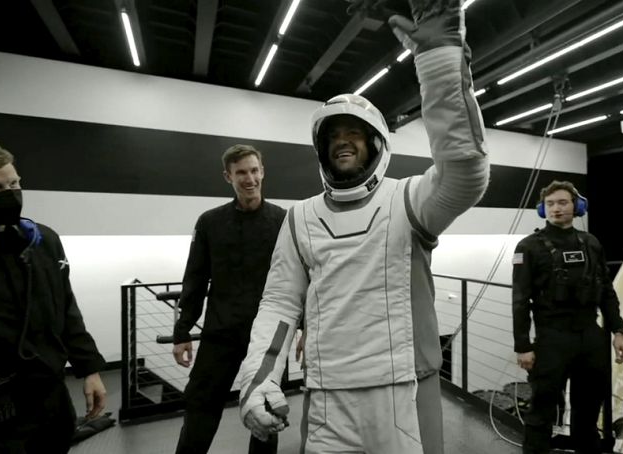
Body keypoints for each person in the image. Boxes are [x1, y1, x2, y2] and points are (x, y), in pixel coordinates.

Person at [236, 1, 490, 452]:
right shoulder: (300, 218)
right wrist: (258, 381)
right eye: (333, 136)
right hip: (326, 397)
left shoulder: (407, 199)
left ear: (376, 144)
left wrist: (441, 64)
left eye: (353, 133)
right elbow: (278, 304)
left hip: (404, 392)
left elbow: (466, 172)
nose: (342, 142)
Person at [0, 134, 107, 453]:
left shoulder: (42, 241)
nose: (9, 195)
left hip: (50, 397)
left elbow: (67, 310)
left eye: (14, 184)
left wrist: (89, 368)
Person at [172, 144, 286, 454]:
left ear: (262, 171)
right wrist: (182, 331)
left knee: (266, 413)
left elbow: (297, 279)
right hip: (220, 333)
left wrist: (303, 326)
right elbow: (194, 279)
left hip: (266, 338)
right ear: (228, 177)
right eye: (240, 173)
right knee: (200, 407)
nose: (249, 179)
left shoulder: (283, 221)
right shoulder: (209, 222)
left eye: (253, 170)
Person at [511, 180, 623, 454]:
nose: (556, 209)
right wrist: (523, 346)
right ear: (543, 209)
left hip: (591, 337)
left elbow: (606, 291)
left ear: (576, 206)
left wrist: (618, 331)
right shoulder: (528, 247)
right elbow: (520, 300)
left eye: (562, 202)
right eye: (550, 204)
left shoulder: (591, 243)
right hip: (552, 338)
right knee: (541, 410)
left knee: (587, 411)